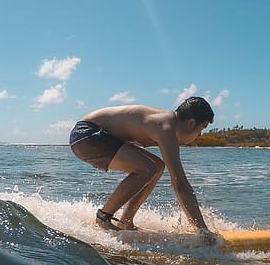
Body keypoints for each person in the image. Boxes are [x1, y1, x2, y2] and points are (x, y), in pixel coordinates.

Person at [69, 96, 219, 243]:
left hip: (95, 136)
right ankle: (103, 218)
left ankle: (125, 222)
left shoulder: (167, 122)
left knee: (157, 166)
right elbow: (180, 184)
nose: (200, 135)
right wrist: (202, 231)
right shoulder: (165, 127)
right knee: (147, 169)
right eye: (202, 128)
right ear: (191, 123)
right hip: (86, 135)